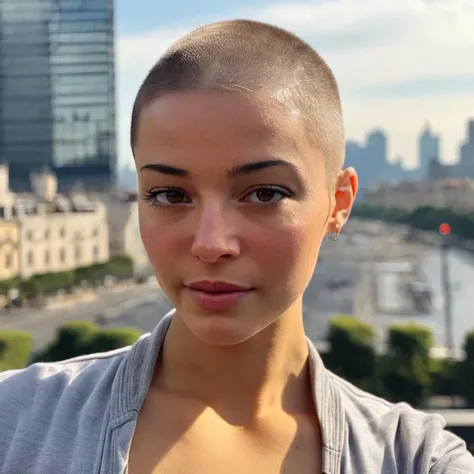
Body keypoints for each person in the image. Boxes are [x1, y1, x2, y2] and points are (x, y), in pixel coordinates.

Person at [0, 19, 473, 474]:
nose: (211, 244)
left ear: (339, 202)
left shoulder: (417, 459)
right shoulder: (13, 420)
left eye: (266, 193)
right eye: (169, 195)